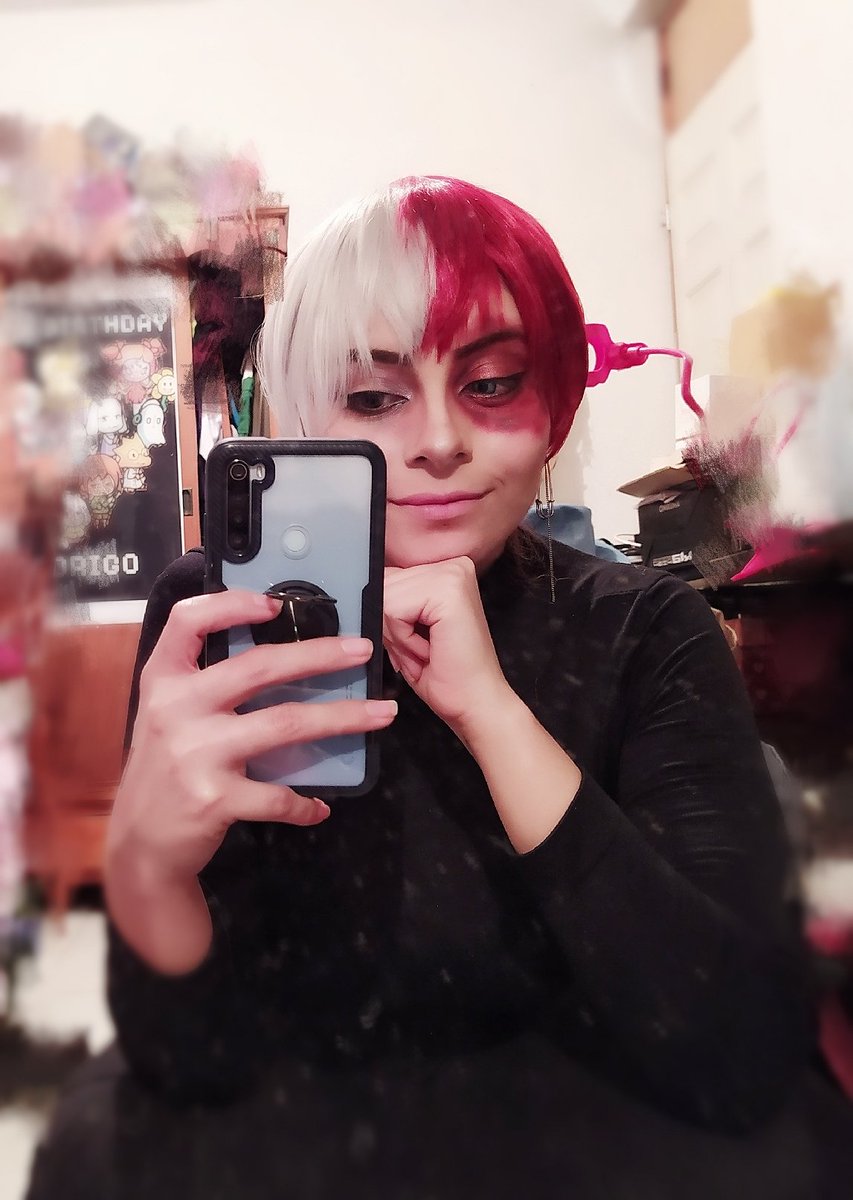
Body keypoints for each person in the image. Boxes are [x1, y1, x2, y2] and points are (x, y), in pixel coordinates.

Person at [28, 177, 824, 1200]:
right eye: (372, 396)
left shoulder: (647, 629)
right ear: (305, 413)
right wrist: (148, 871)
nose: (439, 440)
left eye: (491, 384)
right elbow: (185, 1059)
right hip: (297, 1111)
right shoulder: (213, 611)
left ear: (553, 405)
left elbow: (734, 1056)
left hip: (589, 1110)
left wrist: (493, 715)